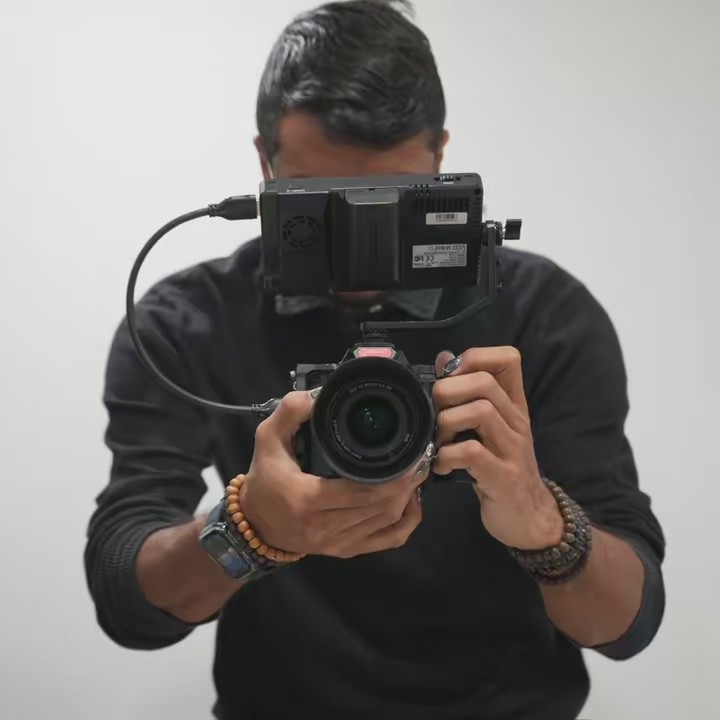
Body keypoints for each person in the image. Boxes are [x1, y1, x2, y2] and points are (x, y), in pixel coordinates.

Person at [84, 1, 666, 718]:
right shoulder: (187, 322)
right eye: (316, 207)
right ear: (265, 164)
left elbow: (628, 624)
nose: (357, 241)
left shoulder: (546, 316)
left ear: (440, 157)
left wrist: (544, 524)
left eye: (394, 203)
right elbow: (126, 599)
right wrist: (249, 528)